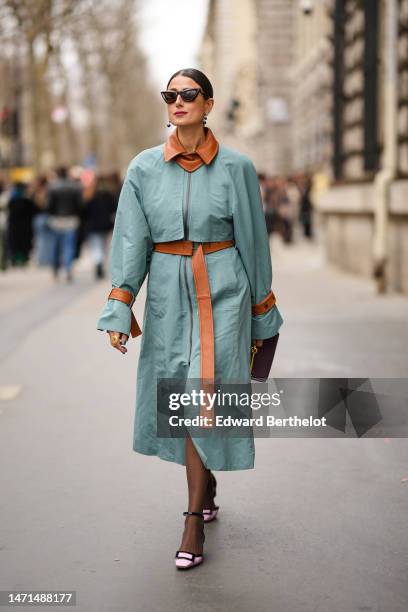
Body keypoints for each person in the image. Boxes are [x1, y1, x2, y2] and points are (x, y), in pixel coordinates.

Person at [96, 68, 284, 570]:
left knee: (205, 391)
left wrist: (264, 312)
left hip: (224, 288)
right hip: (167, 292)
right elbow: (131, 241)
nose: (177, 102)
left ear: (208, 104)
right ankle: (207, 483)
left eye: (188, 94)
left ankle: (192, 520)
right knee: (180, 390)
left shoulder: (237, 168)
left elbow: (254, 241)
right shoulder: (142, 169)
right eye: (170, 95)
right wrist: (120, 306)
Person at [46, 166, 83, 282]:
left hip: (56, 220)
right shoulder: (74, 187)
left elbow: (49, 205)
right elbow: (80, 205)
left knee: (55, 246)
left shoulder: (52, 187)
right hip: (71, 220)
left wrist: (51, 214)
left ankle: (55, 268)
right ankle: (68, 268)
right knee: (69, 246)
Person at [83, 173, 117, 279]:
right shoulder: (109, 195)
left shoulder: (90, 195)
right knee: (103, 245)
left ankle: (98, 261)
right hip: (105, 224)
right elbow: (113, 208)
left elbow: (85, 210)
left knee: (95, 245)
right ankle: (100, 261)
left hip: (93, 225)